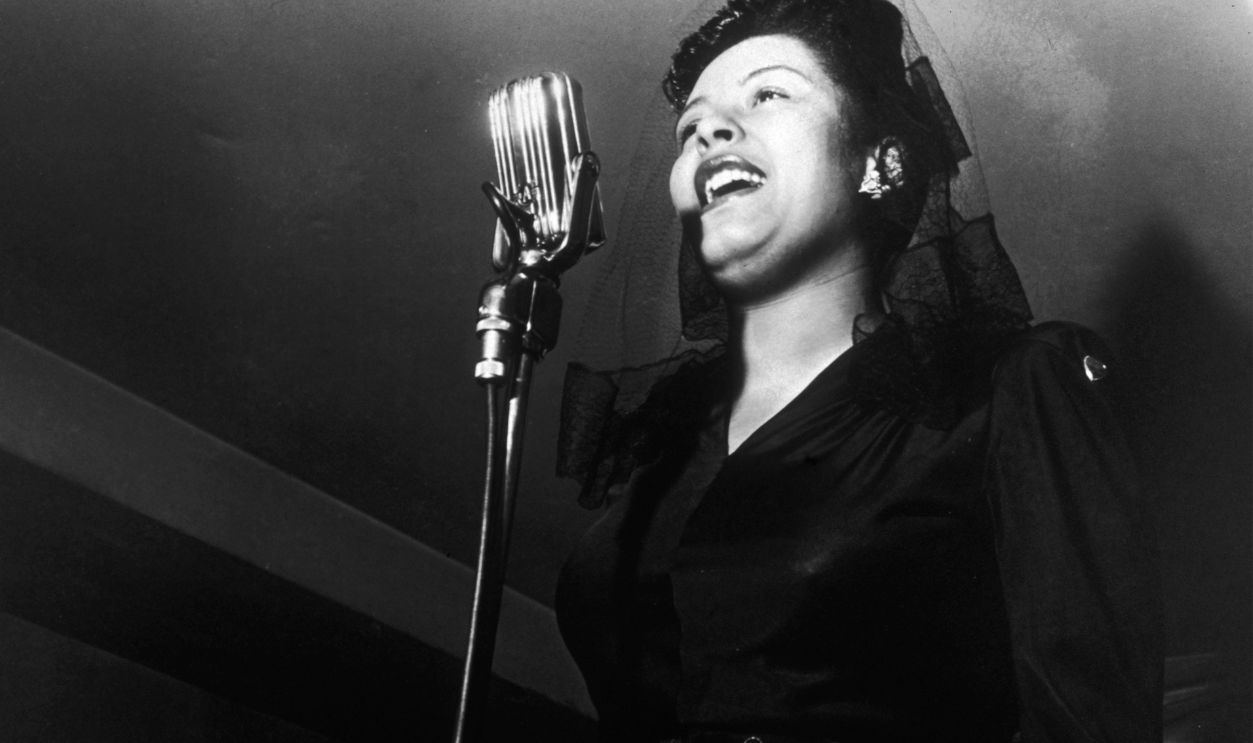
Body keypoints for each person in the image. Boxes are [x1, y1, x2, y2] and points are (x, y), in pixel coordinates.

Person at [554, 1, 1163, 741]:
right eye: (691, 125)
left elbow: (1089, 720)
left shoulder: (1012, 390)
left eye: (768, 93)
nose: (708, 130)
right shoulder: (661, 452)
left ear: (881, 162)